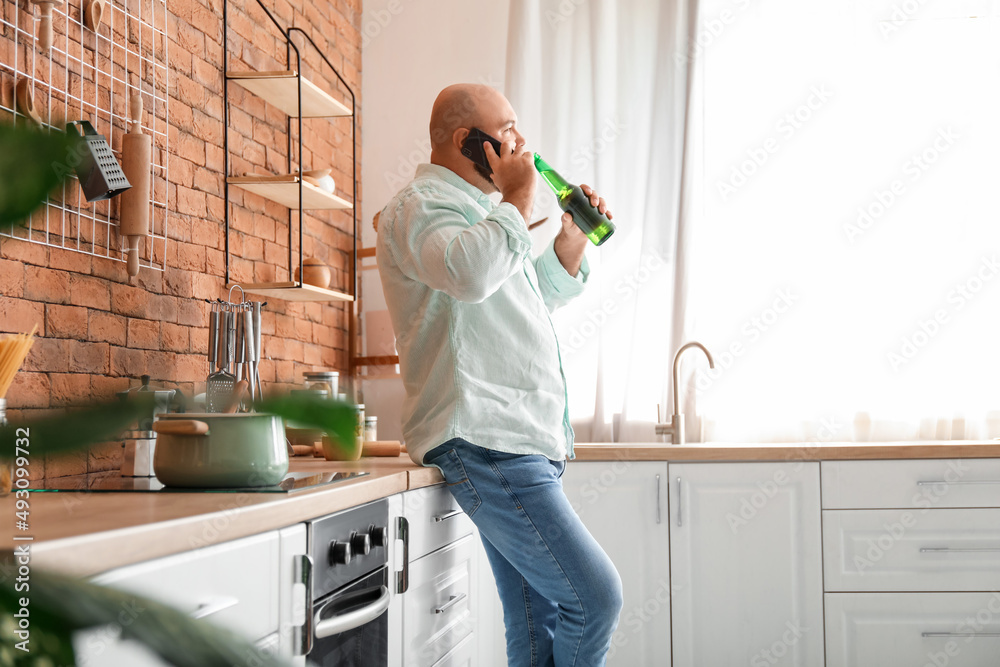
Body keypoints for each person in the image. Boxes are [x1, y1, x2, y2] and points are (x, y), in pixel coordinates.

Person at [376, 83, 623, 667]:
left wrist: (567, 241)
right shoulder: (419, 208)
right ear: (469, 141)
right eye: (507, 131)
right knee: (596, 599)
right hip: (488, 440)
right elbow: (468, 274)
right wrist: (517, 199)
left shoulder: (484, 215)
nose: (520, 145)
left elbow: (522, 299)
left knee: (537, 623)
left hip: (513, 439)